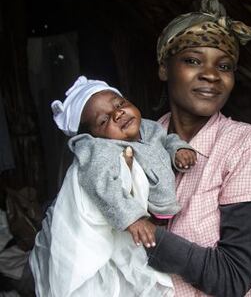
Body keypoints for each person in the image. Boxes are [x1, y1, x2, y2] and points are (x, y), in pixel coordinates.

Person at [141, 0, 251, 297]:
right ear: (165, 68)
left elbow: (232, 277)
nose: (210, 75)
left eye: (224, 66)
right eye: (193, 60)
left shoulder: (245, 146)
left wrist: (138, 234)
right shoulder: (143, 140)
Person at [29, 76, 196, 297]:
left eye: (120, 104)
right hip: (136, 225)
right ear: (93, 136)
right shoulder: (99, 151)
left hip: (163, 214)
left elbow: (167, 139)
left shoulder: (150, 127)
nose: (118, 114)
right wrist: (132, 219)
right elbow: (102, 184)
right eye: (104, 120)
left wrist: (178, 150)